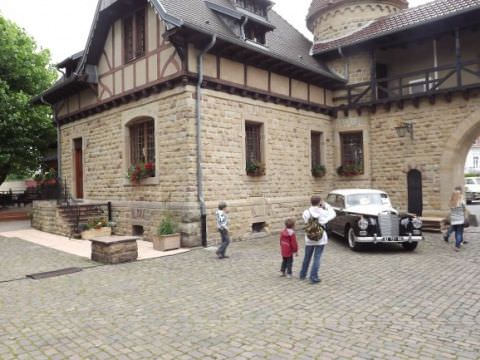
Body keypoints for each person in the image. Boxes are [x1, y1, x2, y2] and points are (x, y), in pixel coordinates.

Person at [300, 195, 336, 284]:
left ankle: (303, 274)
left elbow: (305, 221)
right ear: (320, 202)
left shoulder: (306, 212)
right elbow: (333, 214)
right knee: (317, 258)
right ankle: (313, 276)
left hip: (309, 238)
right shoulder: (323, 212)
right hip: (320, 238)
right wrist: (325, 205)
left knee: (307, 257)